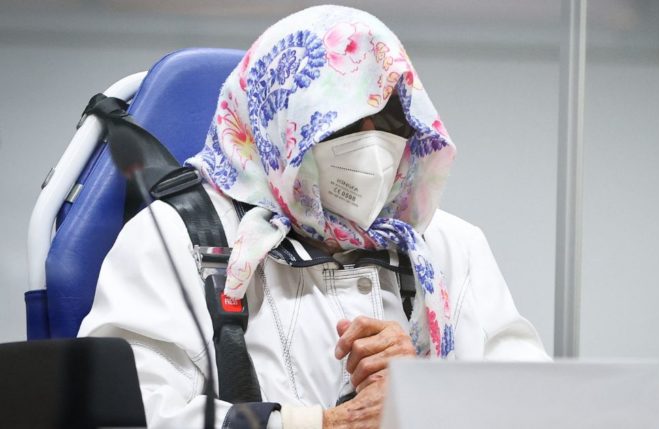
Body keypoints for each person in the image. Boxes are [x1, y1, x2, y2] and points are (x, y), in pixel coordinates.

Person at [79, 5, 548, 429]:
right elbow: (121, 413)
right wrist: (317, 425)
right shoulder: (176, 238)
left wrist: (428, 394)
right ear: (283, 123)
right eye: (343, 123)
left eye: (387, 121)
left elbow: (539, 406)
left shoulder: (448, 246)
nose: (372, 146)